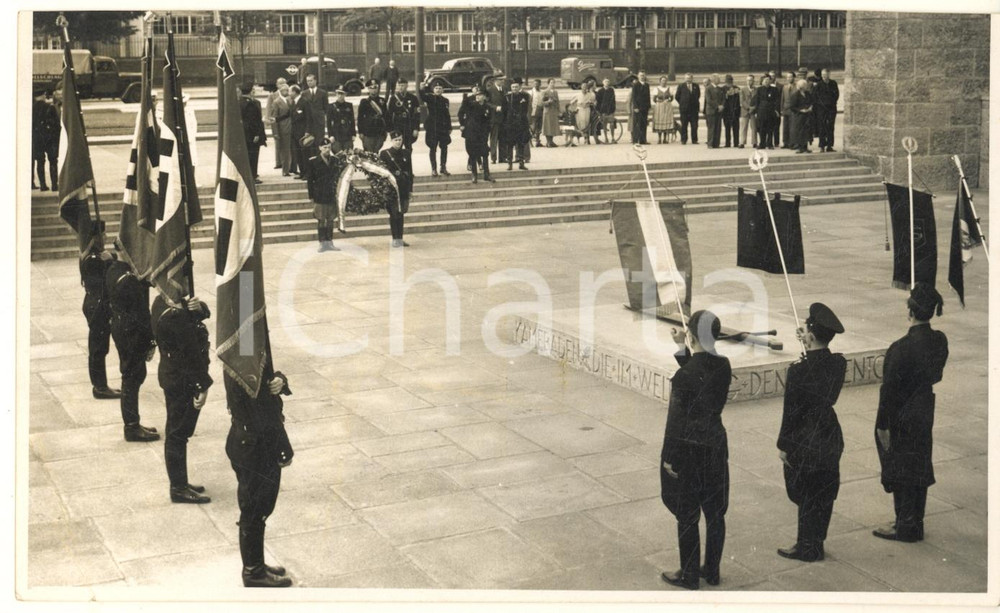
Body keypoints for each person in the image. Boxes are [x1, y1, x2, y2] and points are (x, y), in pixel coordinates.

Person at [660, 310, 732, 590]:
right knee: (715, 512)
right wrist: (683, 348)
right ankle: (711, 570)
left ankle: (689, 574)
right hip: (715, 445)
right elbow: (701, 374)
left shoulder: (684, 378)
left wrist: (669, 458)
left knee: (688, 514)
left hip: (689, 451)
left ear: (691, 335)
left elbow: (675, 422)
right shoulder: (724, 365)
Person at [873, 283, 949, 543]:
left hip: (902, 412)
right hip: (924, 407)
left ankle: (904, 524)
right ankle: (915, 521)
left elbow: (889, 390)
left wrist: (882, 423)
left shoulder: (900, 347)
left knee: (901, 464)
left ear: (910, 311)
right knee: (920, 461)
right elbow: (936, 375)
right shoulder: (939, 340)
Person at [776, 303, 847, 562]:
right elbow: (820, 368)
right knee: (824, 489)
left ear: (811, 336)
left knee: (805, 490)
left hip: (804, 434)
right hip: (828, 430)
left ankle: (805, 546)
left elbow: (791, 411)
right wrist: (809, 344)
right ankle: (816, 541)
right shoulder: (838, 364)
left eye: (805, 330)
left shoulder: (797, 371)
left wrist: (783, 444)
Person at [224, 347, 294, 588]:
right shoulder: (245, 360)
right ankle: (253, 571)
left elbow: (267, 381)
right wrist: (283, 448)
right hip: (255, 446)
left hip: (245, 442)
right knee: (255, 508)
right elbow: (264, 411)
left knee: (257, 508)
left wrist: (280, 381)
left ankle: (257, 563)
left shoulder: (242, 353)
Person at [151, 294, 213, 504]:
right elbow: (192, 355)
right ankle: (178, 488)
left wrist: (198, 308)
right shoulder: (176, 317)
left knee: (176, 432)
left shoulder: (162, 302)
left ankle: (180, 482)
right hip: (183, 380)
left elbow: (204, 313)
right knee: (178, 434)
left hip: (172, 375)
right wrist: (202, 386)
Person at [105, 257, 159, 442]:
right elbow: (142, 315)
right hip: (131, 334)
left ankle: (133, 424)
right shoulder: (130, 280)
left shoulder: (114, 269)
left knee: (131, 378)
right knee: (132, 379)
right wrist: (150, 341)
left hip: (120, 328)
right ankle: (132, 427)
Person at [80, 229, 121, 400]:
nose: (104, 237)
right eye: (101, 235)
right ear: (93, 238)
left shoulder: (95, 256)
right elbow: (106, 281)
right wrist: (111, 261)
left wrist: (110, 258)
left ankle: (101, 385)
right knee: (98, 348)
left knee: (100, 347)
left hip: (96, 305)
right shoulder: (93, 259)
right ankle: (100, 387)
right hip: (98, 307)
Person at [306, 139, 344, 253]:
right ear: (320, 148)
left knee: (331, 220)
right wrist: (311, 195)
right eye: (325, 147)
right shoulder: (313, 161)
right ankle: (322, 243)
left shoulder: (335, 160)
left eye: (329, 147)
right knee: (321, 220)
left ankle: (330, 242)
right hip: (320, 195)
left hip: (331, 195)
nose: (327, 150)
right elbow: (310, 180)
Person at [380, 131, 413, 248]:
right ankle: (395, 238)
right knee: (394, 214)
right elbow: (382, 173)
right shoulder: (385, 154)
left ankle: (400, 238)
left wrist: (410, 190)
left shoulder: (406, 153)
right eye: (396, 140)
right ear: (391, 141)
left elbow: (410, 172)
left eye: (400, 139)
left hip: (403, 188)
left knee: (401, 213)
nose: (398, 142)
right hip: (392, 189)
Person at [462, 88, 493, 183]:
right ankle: (474, 175)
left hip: (482, 134)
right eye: (476, 96)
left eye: (480, 95)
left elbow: (489, 121)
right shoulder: (472, 105)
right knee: (473, 154)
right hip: (471, 134)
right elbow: (465, 105)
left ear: (484, 97)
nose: (478, 97)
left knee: (485, 154)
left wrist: (487, 133)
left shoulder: (488, 107)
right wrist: (465, 97)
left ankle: (486, 174)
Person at [32, 88, 59, 191]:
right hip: (50, 138)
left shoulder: (31, 108)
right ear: (43, 95)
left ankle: (43, 185)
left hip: (37, 138)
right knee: (53, 161)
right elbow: (56, 125)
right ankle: (54, 185)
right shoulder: (50, 107)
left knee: (40, 161)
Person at [502, 77, 532, 169]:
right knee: (510, 144)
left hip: (521, 123)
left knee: (521, 143)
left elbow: (526, 109)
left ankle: (521, 162)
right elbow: (504, 111)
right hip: (510, 124)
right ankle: (510, 163)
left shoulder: (525, 96)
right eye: (513, 87)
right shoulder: (507, 97)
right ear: (511, 88)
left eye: (516, 87)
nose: (514, 89)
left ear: (519, 87)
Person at [240, 81, 267, 184]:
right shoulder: (251, 104)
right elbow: (253, 121)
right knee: (253, 156)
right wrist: (257, 134)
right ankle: (253, 175)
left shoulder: (238, 103)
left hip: (243, 135)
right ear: (251, 91)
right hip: (251, 135)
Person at [424, 82, 452, 177]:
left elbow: (447, 115)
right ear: (433, 90)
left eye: (440, 88)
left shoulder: (445, 100)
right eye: (436, 88)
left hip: (443, 127)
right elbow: (422, 95)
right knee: (433, 148)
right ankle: (434, 168)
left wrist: (449, 127)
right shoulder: (430, 98)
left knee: (444, 147)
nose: (438, 90)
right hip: (432, 127)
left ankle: (443, 167)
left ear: (442, 90)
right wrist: (422, 88)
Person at [386, 78, 420, 151]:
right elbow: (389, 114)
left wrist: (416, 128)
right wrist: (390, 129)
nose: (400, 87)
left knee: (408, 147)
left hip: (409, 125)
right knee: (397, 148)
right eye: (399, 85)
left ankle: (408, 162)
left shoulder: (413, 98)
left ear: (407, 86)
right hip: (397, 125)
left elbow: (417, 114)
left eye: (402, 85)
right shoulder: (393, 98)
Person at [301, 73, 328, 155]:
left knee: (319, 142)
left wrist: (322, 116)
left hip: (319, 122)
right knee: (309, 143)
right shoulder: (304, 93)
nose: (309, 83)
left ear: (315, 81)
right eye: (308, 81)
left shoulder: (323, 93)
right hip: (308, 123)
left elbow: (326, 107)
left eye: (311, 81)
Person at [268, 83, 292, 176]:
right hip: (283, 129)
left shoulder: (290, 100)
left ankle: (292, 168)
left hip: (292, 128)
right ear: (281, 91)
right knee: (285, 150)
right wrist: (275, 132)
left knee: (292, 149)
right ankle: (285, 170)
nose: (287, 92)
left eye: (288, 90)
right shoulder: (276, 102)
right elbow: (274, 118)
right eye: (286, 90)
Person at [357, 80, 388, 153]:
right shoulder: (364, 102)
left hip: (379, 131)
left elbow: (386, 116)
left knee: (376, 152)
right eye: (371, 88)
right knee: (368, 153)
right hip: (368, 132)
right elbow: (360, 118)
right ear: (368, 89)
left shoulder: (382, 101)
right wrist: (360, 131)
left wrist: (385, 131)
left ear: (377, 89)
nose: (373, 90)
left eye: (375, 88)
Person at [751, 75, 779, 149]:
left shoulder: (774, 89)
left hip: (771, 111)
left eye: (768, 80)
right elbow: (757, 101)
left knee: (770, 128)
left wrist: (776, 110)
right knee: (761, 128)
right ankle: (762, 143)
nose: (766, 81)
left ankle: (769, 144)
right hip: (761, 111)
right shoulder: (759, 89)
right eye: (765, 80)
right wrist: (756, 111)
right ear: (762, 81)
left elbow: (777, 100)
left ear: (770, 81)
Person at [814, 69, 839, 152]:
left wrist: (832, 103)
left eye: (825, 74)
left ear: (829, 74)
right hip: (821, 109)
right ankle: (822, 146)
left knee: (830, 127)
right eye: (822, 74)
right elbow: (816, 97)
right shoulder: (819, 85)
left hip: (831, 108)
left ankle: (829, 145)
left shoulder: (833, 83)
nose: (824, 76)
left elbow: (836, 95)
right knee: (822, 127)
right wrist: (822, 105)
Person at [265, 77, 287, 170]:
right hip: (275, 120)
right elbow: (269, 108)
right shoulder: (272, 95)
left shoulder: (288, 94)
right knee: (277, 140)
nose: (282, 85)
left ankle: (286, 162)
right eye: (280, 83)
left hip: (285, 121)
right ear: (277, 85)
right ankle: (278, 162)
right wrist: (268, 119)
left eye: (283, 83)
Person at [326, 87, 356, 154]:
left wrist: (353, 134)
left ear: (345, 94)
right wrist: (330, 135)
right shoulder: (331, 106)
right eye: (338, 94)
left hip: (347, 135)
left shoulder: (349, 105)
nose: (340, 96)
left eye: (342, 94)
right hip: (336, 135)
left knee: (348, 155)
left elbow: (352, 120)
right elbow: (328, 122)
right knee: (338, 155)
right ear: (336, 94)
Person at [288, 85, 309, 179]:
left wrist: (307, 131)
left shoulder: (304, 102)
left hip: (302, 133)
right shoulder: (293, 102)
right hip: (295, 133)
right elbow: (288, 114)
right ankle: (302, 172)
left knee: (304, 154)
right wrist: (276, 119)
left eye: (290, 91)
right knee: (298, 154)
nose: (288, 93)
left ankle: (307, 174)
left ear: (294, 92)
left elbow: (309, 118)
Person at [674, 73, 700, 145]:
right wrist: (683, 103)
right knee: (684, 125)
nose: (688, 79)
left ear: (692, 78)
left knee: (694, 125)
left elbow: (698, 95)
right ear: (684, 79)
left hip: (694, 109)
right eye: (687, 78)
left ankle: (694, 140)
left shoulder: (696, 86)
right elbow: (677, 96)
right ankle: (684, 140)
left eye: (689, 78)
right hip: (684, 109)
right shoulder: (681, 86)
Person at [790, 79, 814, 154]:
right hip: (799, 116)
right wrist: (800, 110)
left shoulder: (808, 93)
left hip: (807, 115)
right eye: (805, 85)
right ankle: (800, 147)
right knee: (800, 131)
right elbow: (792, 107)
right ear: (801, 86)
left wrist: (811, 107)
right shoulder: (795, 95)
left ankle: (805, 147)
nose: (806, 86)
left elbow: (812, 101)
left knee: (807, 131)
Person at [485, 76, 506, 164]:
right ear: (495, 80)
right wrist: (495, 107)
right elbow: (487, 102)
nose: (502, 81)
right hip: (494, 118)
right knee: (494, 138)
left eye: (503, 80)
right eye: (500, 80)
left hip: (503, 118)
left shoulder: (504, 89)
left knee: (503, 138)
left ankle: (502, 157)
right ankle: (493, 157)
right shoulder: (490, 90)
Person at [571, 80, 596, 147]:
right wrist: (577, 104)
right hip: (580, 110)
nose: (584, 88)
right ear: (581, 88)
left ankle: (586, 138)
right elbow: (571, 102)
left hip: (587, 110)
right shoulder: (578, 95)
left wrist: (589, 102)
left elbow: (593, 102)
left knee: (587, 123)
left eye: (585, 87)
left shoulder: (590, 95)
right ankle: (580, 137)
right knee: (580, 124)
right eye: (583, 87)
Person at [630, 70, 651, 145]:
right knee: (637, 124)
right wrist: (635, 107)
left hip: (645, 107)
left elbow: (648, 96)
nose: (642, 77)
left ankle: (643, 140)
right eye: (641, 75)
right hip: (637, 108)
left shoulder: (647, 85)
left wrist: (649, 106)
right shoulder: (635, 85)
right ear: (638, 76)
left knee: (644, 124)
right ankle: (635, 140)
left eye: (643, 75)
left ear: (645, 76)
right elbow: (634, 97)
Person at [703, 76, 724, 149]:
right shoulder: (708, 88)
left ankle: (716, 144)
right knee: (711, 128)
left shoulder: (720, 89)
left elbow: (723, 98)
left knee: (718, 128)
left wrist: (722, 105)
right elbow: (709, 100)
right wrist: (717, 106)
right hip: (711, 111)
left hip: (719, 111)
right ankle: (710, 144)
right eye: (718, 79)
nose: (720, 80)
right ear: (713, 80)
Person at [595, 78, 617, 145]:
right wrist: (599, 110)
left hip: (610, 110)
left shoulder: (611, 90)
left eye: (608, 82)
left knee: (612, 124)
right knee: (604, 125)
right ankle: (606, 138)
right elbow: (598, 102)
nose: (607, 83)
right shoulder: (600, 91)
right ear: (603, 83)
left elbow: (613, 100)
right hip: (603, 110)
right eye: (605, 82)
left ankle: (613, 138)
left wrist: (613, 109)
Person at [540, 79, 561, 148]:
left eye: (554, 83)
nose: (553, 84)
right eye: (551, 83)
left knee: (553, 126)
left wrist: (559, 110)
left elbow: (558, 102)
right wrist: (548, 102)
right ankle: (548, 142)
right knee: (547, 126)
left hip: (554, 111)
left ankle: (551, 141)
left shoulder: (555, 92)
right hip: (547, 111)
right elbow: (541, 103)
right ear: (548, 83)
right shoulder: (544, 92)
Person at [722, 75, 741, 148]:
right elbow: (722, 98)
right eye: (728, 81)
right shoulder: (723, 89)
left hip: (735, 111)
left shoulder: (737, 88)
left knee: (736, 128)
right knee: (727, 128)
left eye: (730, 81)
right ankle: (728, 143)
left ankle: (736, 143)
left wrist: (737, 93)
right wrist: (727, 94)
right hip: (726, 112)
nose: (729, 83)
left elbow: (739, 99)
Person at [738, 74, 756, 149]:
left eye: (751, 80)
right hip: (745, 111)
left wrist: (754, 108)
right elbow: (742, 101)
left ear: (753, 81)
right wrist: (748, 108)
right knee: (743, 127)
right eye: (748, 80)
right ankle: (742, 142)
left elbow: (757, 100)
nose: (749, 82)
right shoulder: (742, 89)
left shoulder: (756, 90)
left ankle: (754, 142)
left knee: (754, 127)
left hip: (753, 111)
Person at [780, 71, 796, 149]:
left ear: (794, 78)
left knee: (792, 127)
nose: (789, 78)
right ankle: (785, 142)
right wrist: (781, 109)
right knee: (785, 127)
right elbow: (782, 98)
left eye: (791, 77)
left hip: (793, 109)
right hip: (785, 109)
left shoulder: (797, 87)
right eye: (788, 77)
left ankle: (792, 143)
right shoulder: (784, 87)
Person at [529, 78, 545, 148]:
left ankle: (538, 141)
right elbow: (529, 102)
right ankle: (530, 140)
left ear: (540, 84)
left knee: (539, 126)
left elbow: (543, 101)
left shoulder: (542, 92)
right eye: (535, 84)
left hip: (541, 110)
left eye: (538, 84)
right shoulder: (531, 92)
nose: (536, 85)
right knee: (533, 126)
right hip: (534, 110)